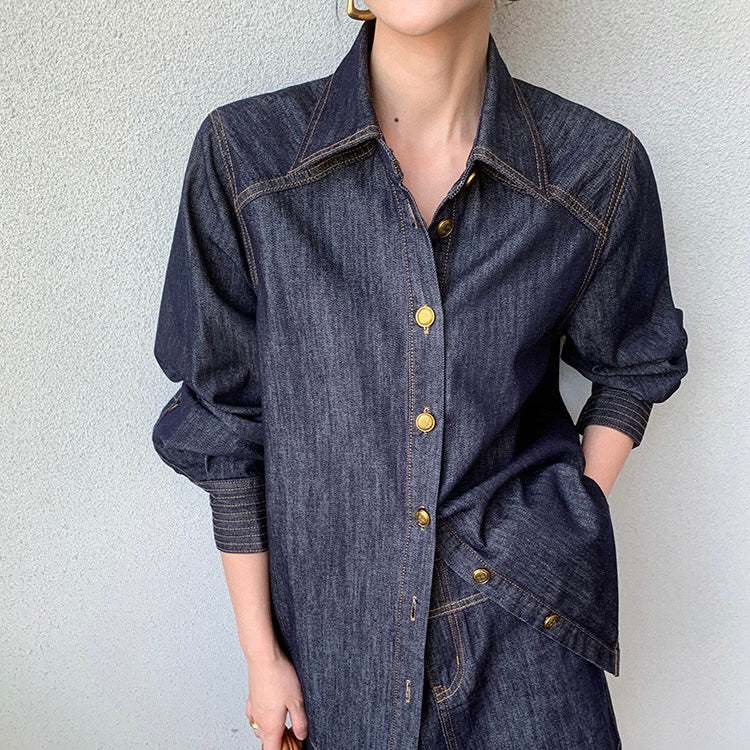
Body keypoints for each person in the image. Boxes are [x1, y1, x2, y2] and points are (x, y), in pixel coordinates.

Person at [151, 2, 689, 749]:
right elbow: (224, 419)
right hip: (338, 659)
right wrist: (261, 654)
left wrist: (565, 516)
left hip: (524, 641)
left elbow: (635, 360)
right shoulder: (247, 159)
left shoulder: (595, 169)